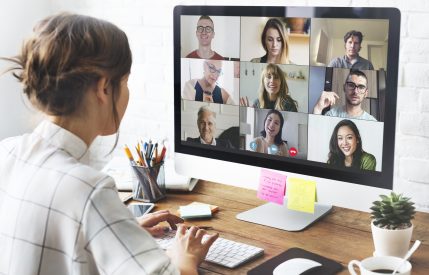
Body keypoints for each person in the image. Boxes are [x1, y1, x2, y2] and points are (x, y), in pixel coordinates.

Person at [0, 13, 218, 275]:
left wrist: (119, 228)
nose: (127, 92)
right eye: (125, 82)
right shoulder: (89, 189)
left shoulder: (7, 151)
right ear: (104, 88)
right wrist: (184, 257)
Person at [312, 69, 377, 121]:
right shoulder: (331, 114)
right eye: (351, 85)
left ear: (366, 93)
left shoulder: (372, 121)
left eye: (361, 87)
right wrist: (318, 108)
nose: (355, 91)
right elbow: (316, 133)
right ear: (344, 88)